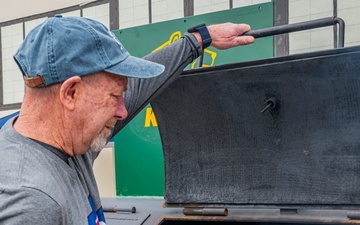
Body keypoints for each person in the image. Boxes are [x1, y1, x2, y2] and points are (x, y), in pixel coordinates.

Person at [0, 14, 254, 224]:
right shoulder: (31, 202)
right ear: (71, 93)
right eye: (114, 97)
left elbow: (141, 90)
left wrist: (198, 40)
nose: (123, 111)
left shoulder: (63, 135)